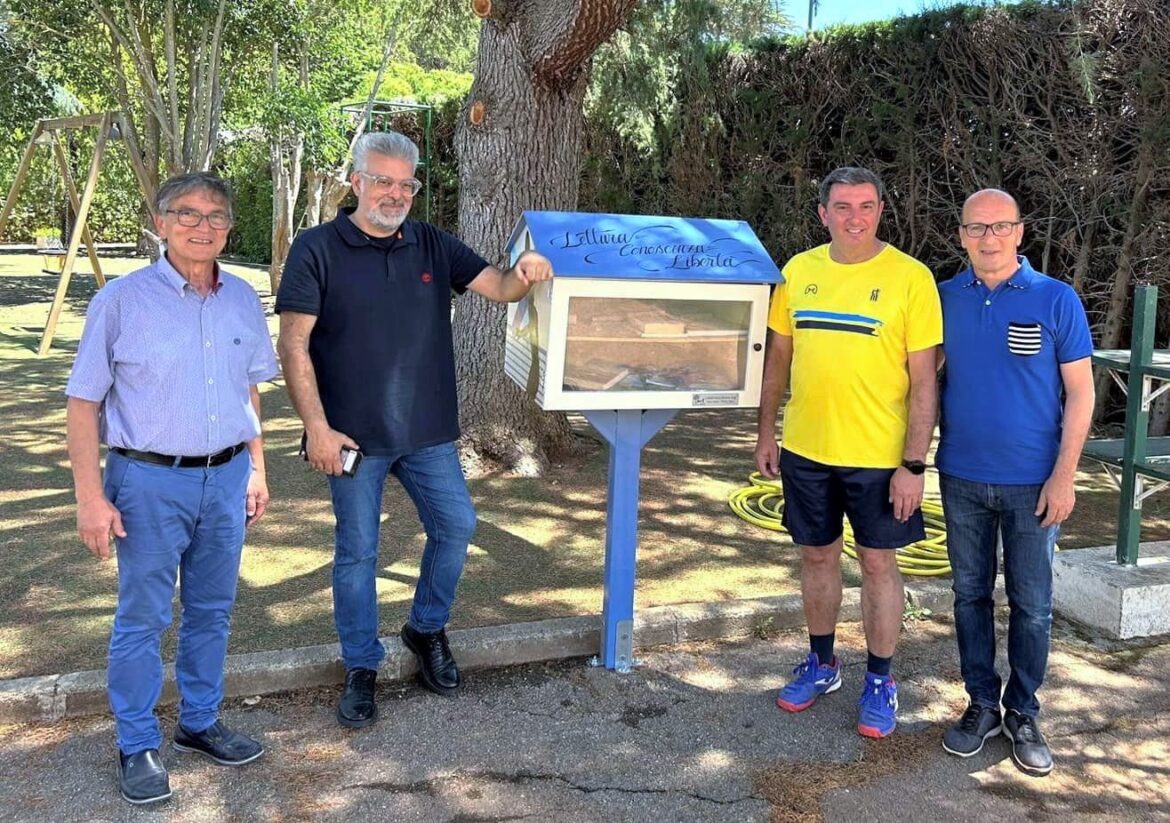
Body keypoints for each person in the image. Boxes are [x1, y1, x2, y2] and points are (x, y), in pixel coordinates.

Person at [276, 131, 553, 728]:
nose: (396, 194)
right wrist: (316, 428)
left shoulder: (431, 243)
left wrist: (526, 272)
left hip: (427, 433)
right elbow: (293, 344)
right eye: (383, 180)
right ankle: (361, 665)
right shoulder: (316, 249)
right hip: (352, 438)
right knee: (358, 554)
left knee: (456, 527)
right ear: (356, 182)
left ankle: (425, 629)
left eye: (407, 184)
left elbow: (501, 287)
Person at [65, 173, 278, 805]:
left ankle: (199, 723)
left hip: (227, 477)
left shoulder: (243, 299)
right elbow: (82, 403)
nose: (201, 226)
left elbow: (249, 389)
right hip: (147, 481)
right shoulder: (121, 301)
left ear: (228, 228)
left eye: (215, 216)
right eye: (186, 213)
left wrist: (258, 467)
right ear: (160, 223)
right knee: (144, 617)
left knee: (212, 609)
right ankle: (136, 743)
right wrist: (89, 497)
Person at [755, 166, 942, 739]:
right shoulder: (797, 271)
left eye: (865, 206)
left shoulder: (912, 278)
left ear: (881, 210)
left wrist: (914, 464)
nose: (854, 218)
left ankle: (880, 680)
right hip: (807, 450)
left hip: (881, 458)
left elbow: (925, 381)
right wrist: (766, 433)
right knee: (817, 557)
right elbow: (778, 360)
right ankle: (822, 664)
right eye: (842, 207)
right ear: (823, 213)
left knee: (878, 563)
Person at [937, 189, 1094, 776]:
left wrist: (1064, 476)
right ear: (961, 235)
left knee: (1032, 605)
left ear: (1020, 232)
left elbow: (1081, 393)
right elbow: (918, 380)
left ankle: (1023, 711)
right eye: (977, 227)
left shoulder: (1056, 298)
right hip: (961, 476)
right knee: (969, 596)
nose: (989, 237)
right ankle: (981, 703)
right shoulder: (943, 298)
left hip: (1035, 482)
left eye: (1000, 226)